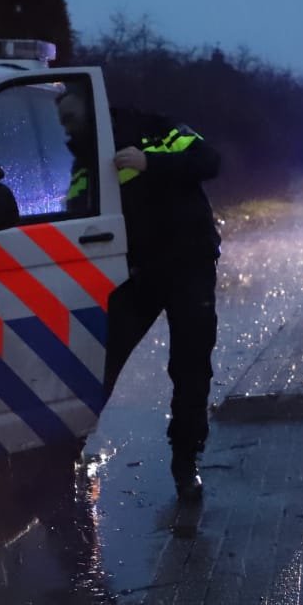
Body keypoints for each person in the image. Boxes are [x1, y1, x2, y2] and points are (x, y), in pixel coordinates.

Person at [58, 88, 221, 502]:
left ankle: (186, 462)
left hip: (189, 263)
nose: (67, 129)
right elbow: (77, 214)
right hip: (136, 273)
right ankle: (66, 449)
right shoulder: (84, 162)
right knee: (100, 359)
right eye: (62, 123)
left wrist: (150, 162)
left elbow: (209, 161)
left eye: (71, 118)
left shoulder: (155, 129)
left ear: (93, 109)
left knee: (190, 365)